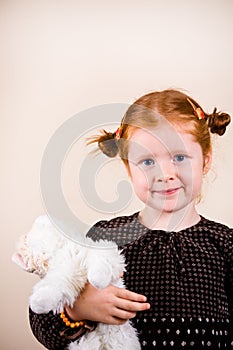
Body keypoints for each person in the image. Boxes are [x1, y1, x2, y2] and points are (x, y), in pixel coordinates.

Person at [29, 89, 233, 349]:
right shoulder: (107, 238)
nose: (165, 174)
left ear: (205, 161)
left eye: (179, 158)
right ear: (129, 168)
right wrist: (77, 310)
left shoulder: (225, 244)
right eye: (147, 162)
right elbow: (42, 317)